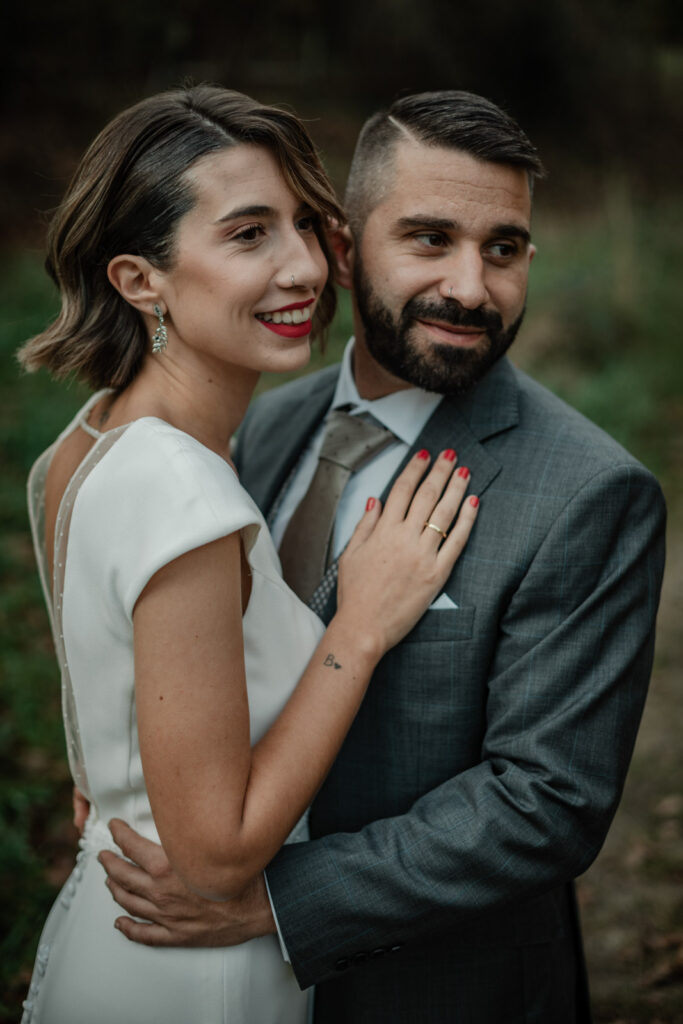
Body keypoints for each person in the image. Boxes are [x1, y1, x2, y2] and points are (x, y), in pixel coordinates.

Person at [100, 90, 667, 1023]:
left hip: (437, 990)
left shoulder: (588, 493)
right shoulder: (267, 422)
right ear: (339, 244)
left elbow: (545, 802)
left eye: (504, 248)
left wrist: (281, 904)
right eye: (429, 238)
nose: (471, 288)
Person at [17, 85, 481, 1024]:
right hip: (195, 975)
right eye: (246, 236)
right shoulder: (184, 494)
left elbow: (100, 703)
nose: (305, 267)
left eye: (306, 226)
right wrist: (360, 624)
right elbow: (217, 855)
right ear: (139, 280)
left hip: (107, 932)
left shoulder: (80, 448)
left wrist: (105, 784)